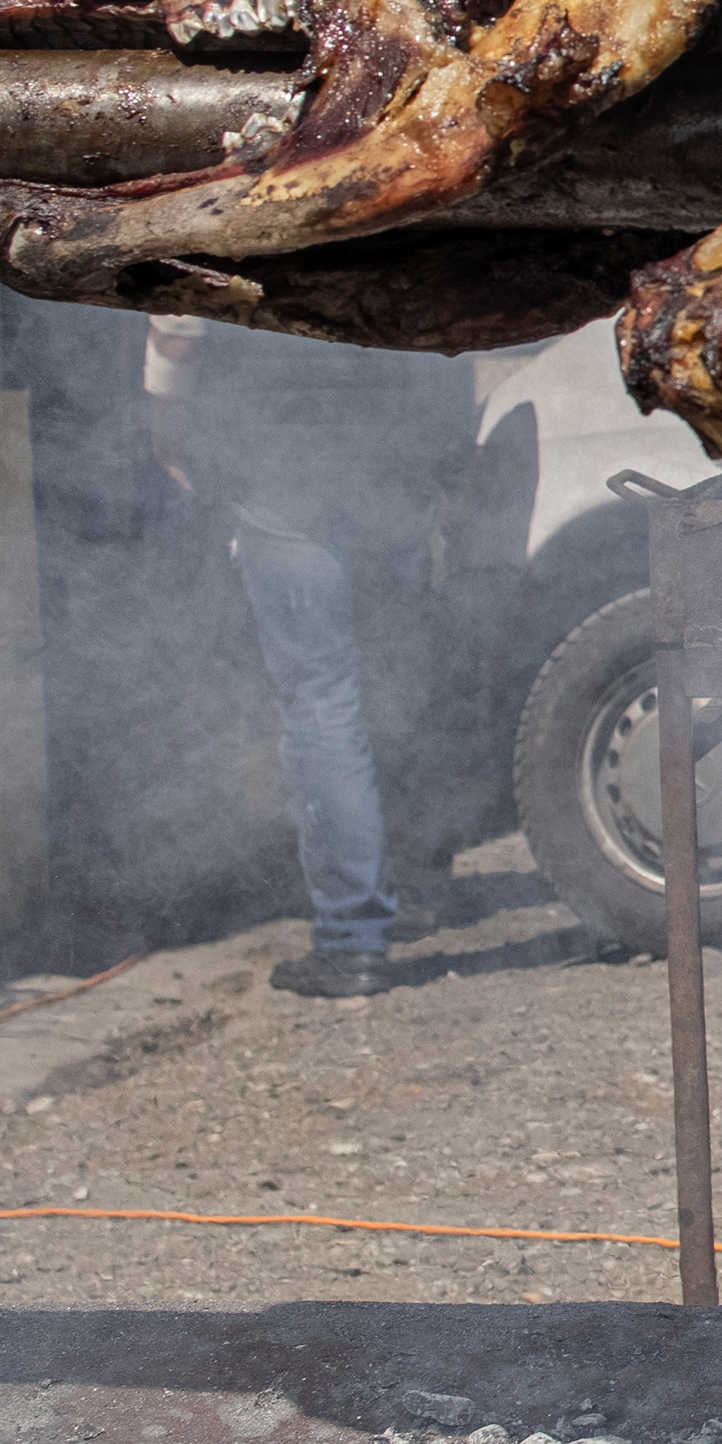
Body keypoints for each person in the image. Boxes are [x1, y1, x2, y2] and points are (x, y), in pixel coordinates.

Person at [146, 312, 453, 999]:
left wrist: (169, 437)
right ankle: (417, 886)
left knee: (322, 704)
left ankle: (353, 938)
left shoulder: (229, 200)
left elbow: (178, 326)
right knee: (389, 688)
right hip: (395, 473)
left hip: (289, 479)